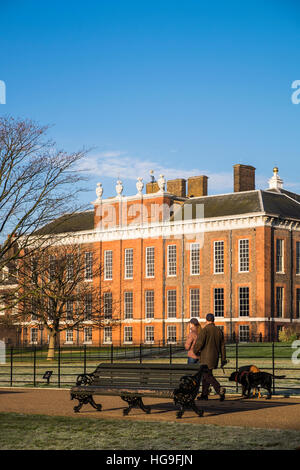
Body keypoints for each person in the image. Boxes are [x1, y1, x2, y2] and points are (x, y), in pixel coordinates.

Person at [193, 313, 227, 401]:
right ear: (213, 320)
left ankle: (219, 389)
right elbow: (222, 346)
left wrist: (195, 351)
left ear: (206, 320)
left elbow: (199, 344)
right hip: (214, 358)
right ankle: (204, 395)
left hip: (205, 358)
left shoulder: (205, 330)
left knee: (207, 376)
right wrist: (223, 359)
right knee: (206, 375)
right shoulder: (219, 331)